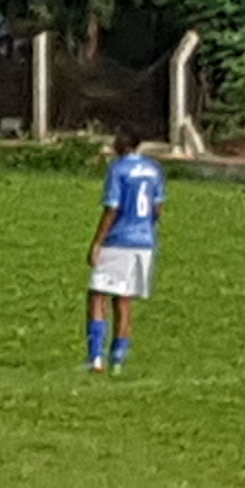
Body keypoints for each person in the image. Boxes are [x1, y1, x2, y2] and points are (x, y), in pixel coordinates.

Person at [87, 127, 165, 373]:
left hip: (120, 239)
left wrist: (98, 242)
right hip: (145, 241)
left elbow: (112, 208)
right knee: (124, 299)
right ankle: (118, 359)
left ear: (120, 145)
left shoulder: (118, 169)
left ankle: (96, 358)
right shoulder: (154, 169)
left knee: (98, 294)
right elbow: (157, 209)